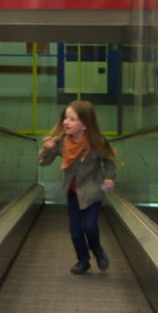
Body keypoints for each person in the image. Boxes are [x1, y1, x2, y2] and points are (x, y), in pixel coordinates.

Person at [38, 100, 117, 275]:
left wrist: (109, 178)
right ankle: (83, 261)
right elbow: (43, 163)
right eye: (66, 118)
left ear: (85, 125)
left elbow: (109, 160)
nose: (66, 122)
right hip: (73, 193)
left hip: (93, 191)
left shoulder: (97, 142)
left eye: (72, 119)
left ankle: (97, 251)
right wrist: (47, 149)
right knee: (75, 230)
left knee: (89, 226)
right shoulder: (62, 143)